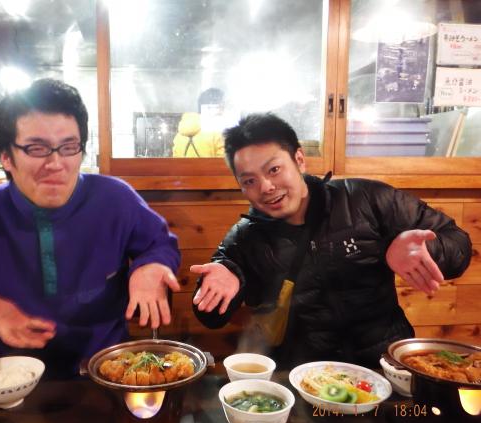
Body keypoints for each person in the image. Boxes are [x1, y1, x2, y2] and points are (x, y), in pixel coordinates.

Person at [0, 78, 181, 379]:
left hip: (111, 373)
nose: (56, 163)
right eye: (37, 148)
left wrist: (151, 265)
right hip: (19, 381)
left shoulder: (115, 198)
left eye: (69, 147)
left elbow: (158, 244)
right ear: (6, 157)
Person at [191, 113, 472, 369]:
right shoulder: (244, 238)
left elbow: (458, 244)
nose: (265, 187)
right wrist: (225, 278)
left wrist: (423, 249)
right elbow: (211, 318)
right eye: (249, 181)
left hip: (383, 365)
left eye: (274, 169)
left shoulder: (366, 199)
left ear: (299, 159)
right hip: (303, 375)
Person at [172, 88, 225, 158]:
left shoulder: (179, 136)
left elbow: (175, 161)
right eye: (222, 106)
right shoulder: (217, 134)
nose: (223, 111)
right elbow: (222, 163)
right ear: (211, 107)